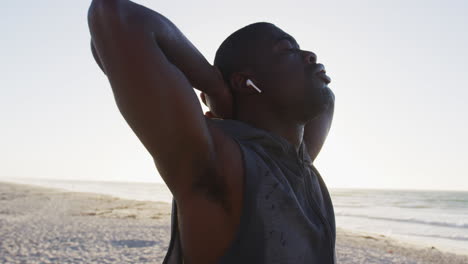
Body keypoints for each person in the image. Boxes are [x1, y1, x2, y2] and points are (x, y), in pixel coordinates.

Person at [88, 0, 336, 263]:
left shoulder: (299, 160)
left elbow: (328, 98)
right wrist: (214, 86)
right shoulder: (217, 161)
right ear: (245, 82)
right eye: (287, 49)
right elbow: (114, 15)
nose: (310, 55)